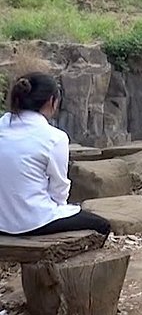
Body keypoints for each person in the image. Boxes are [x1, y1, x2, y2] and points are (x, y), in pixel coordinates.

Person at [0, 73, 112, 237]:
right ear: (51, 101)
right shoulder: (54, 137)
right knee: (102, 226)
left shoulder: (3, 125)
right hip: (33, 222)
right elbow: (59, 190)